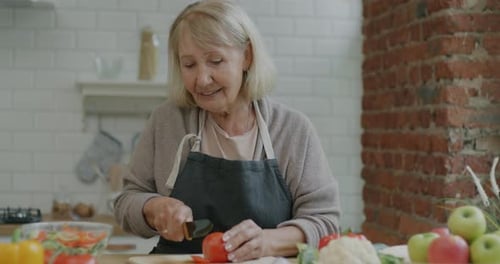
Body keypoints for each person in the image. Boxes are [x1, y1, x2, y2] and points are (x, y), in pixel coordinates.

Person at [114, 0, 341, 261]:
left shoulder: (293, 130)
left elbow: (325, 221)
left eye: (215, 61)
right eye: (189, 65)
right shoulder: (167, 121)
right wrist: (153, 209)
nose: (201, 79)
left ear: (247, 56)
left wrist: (268, 242)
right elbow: (126, 202)